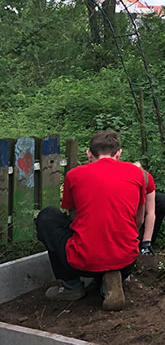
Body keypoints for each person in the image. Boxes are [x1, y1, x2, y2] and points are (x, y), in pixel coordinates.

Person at [34, 130, 146, 311]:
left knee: (47, 217)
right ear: (119, 153)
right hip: (127, 260)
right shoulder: (136, 173)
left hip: (84, 263)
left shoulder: (75, 175)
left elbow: (74, 218)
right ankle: (110, 276)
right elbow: (139, 220)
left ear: (88, 154)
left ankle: (71, 285)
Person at [137, 166, 165, 256]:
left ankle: (146, 244)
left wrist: (146, 243)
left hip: (142, 217)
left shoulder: (147, 179)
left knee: (162, 200)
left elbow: (150, 212)